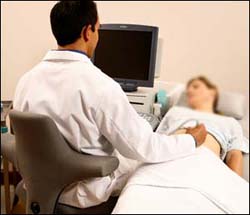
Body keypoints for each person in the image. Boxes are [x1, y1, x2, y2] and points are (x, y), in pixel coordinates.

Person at [13, 1, 207, 209]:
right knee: (148, 164)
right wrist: (190, 140)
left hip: (38, 186)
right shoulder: (101, 86)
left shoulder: (26, 81)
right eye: (98, 28)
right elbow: (145, 147)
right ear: (88, 32)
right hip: (83, 194)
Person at [165, 76, 249, 176]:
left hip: (203, 164)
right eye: (188, 90)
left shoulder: (229, 122)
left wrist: (235, 185)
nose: (190, 91)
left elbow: (234, 155)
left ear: (212, 92)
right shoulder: (175, 112)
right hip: (168, 159)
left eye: (195, 87)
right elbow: (159, 140)